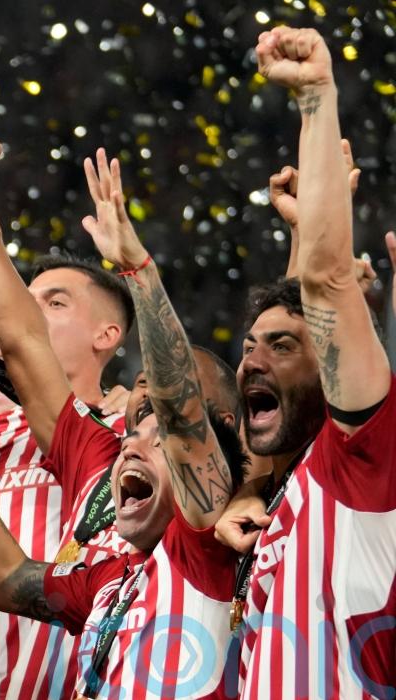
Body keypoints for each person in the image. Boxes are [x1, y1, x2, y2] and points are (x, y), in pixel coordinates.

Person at [0, 145, 248, 696]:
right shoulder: (106, 569)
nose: (143, 425)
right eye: (139, 424)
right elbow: (6, 578)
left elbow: (183, 409)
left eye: (162, 430)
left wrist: (138, 271)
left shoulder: (204, 543)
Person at [218, 27, 396, 697]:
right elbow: (301, 312)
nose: (251, 362)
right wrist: (302, 230)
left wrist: (317, 98)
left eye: (281, 347)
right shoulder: (285, 491)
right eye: (247, 348)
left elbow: (323, 288)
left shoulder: (362, 454)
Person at [0, 128, 137, 698]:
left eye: (54, 303)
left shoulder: (129, 441)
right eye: (25, 302)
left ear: (108, 334)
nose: (29, 315)